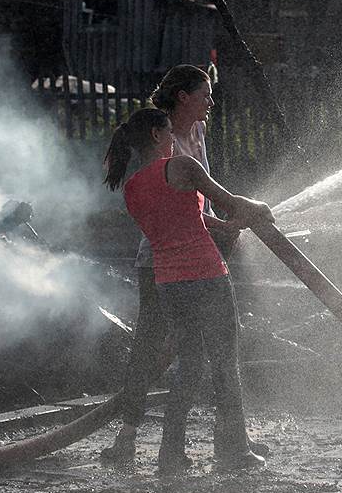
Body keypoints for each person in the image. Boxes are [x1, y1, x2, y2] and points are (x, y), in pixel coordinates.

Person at [101, 65, 269, 463]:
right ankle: (141, 439)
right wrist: (240, 216)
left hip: (178, 262)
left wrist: (222, 227)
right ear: (182, 98)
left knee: (191, 358)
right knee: (183, 350)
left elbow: (196, 201)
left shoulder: (149, 171)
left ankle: (185, 446)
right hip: (181, 262)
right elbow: (198, 196)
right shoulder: (170, 150)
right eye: (205, 93)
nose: (211, 101)